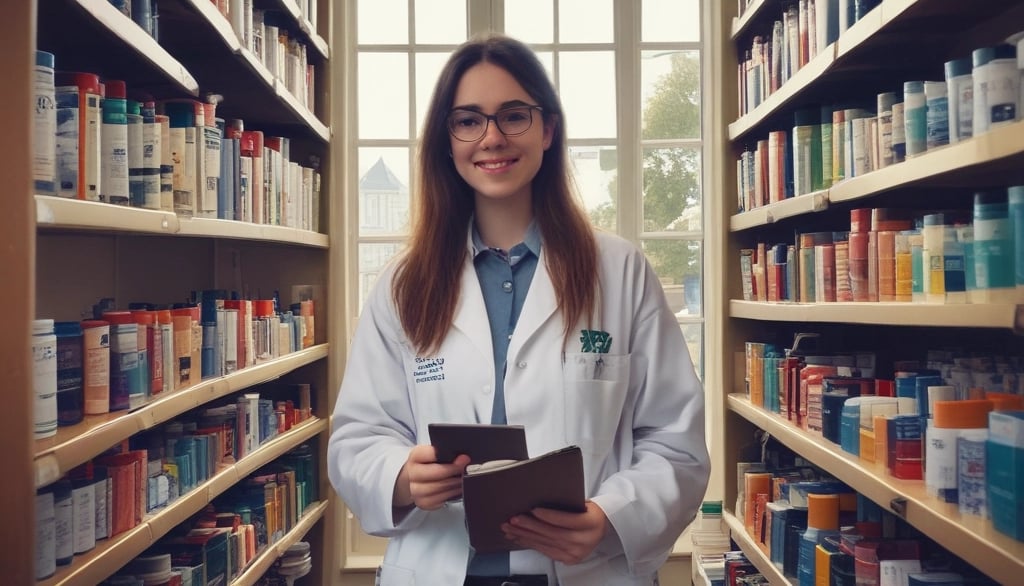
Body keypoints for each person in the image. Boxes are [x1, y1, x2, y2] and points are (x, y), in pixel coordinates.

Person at [327, 32, 710, 586]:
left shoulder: (619, 271)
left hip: (585, 573)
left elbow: (676, 441)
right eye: (468, 120)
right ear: (447, 139)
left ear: (547, 129)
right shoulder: (403, 285)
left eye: (513, 116)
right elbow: (358, 436)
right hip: (440, 567)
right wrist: (401, 477)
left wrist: (610, 518)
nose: (492, 137)